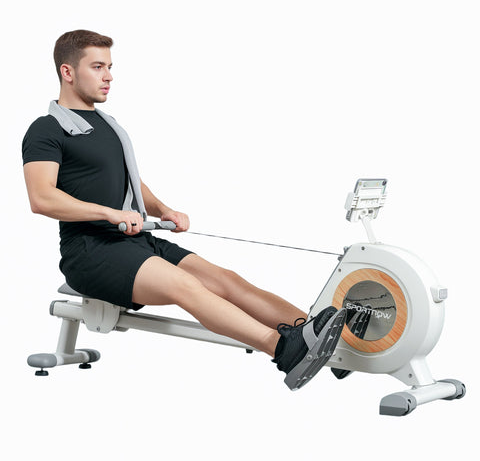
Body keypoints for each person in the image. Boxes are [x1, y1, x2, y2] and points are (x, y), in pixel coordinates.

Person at [22, 29, 345, 389]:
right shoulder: (47, 129)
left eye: (110, 67)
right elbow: (42, 197)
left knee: (227, 281)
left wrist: (163, 209)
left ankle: (327, 342)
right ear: (68, 72)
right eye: (98, 67)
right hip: (90, 252)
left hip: (134, 241)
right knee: (186, 285)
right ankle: (284, 349)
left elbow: (129, 181)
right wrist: (110, 213)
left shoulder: (106, 125)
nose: (109, 76)